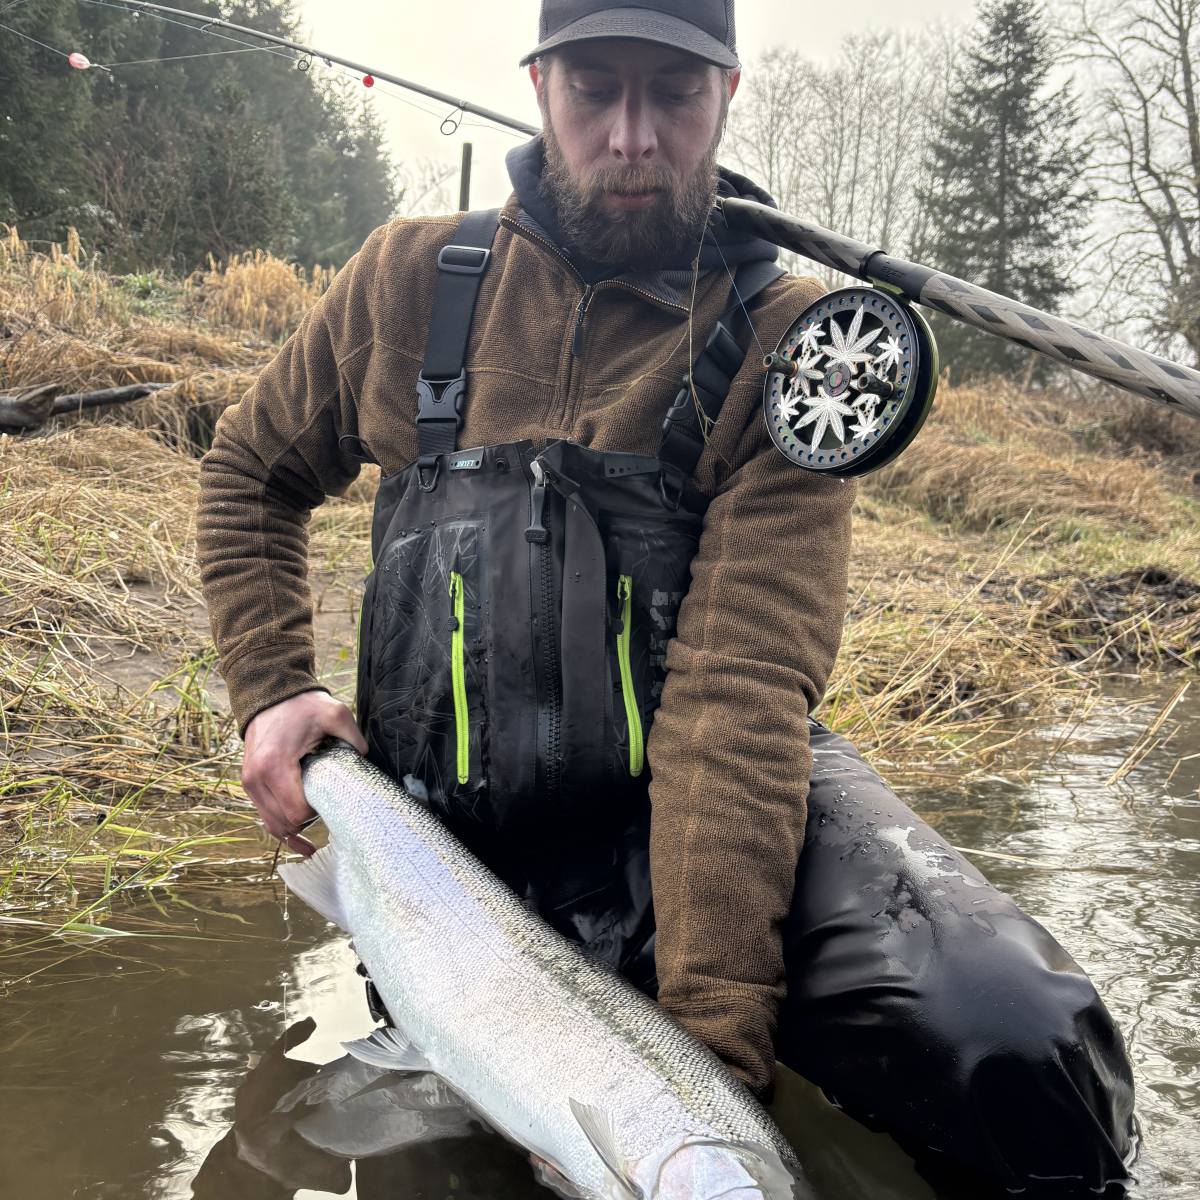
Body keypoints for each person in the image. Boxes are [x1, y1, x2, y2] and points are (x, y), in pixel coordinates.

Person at [198, 1, 1137, 1193]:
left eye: (673, 94)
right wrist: (274, 689)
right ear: (541, 87)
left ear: (727, 96)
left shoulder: (794, 348)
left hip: (686, 819)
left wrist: (700, 1062)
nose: (634, 135)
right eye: (596, 88)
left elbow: (736, 696)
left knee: (1018, 1041)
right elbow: (249, 475)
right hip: (450, 845)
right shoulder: (404, 281)